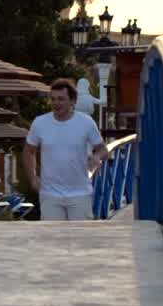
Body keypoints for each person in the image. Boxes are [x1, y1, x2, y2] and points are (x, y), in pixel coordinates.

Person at [23, 79, 109, 221]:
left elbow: (103, 149)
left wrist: (97, 157)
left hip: (80, 194)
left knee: (80, 241)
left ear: (73, 101)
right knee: (53, 241)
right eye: (53, 99)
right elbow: (28, 151)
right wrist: (32, 179)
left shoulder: (86, 122)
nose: (56, 103)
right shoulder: (40, 123)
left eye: (61, 99)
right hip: (50, 195)